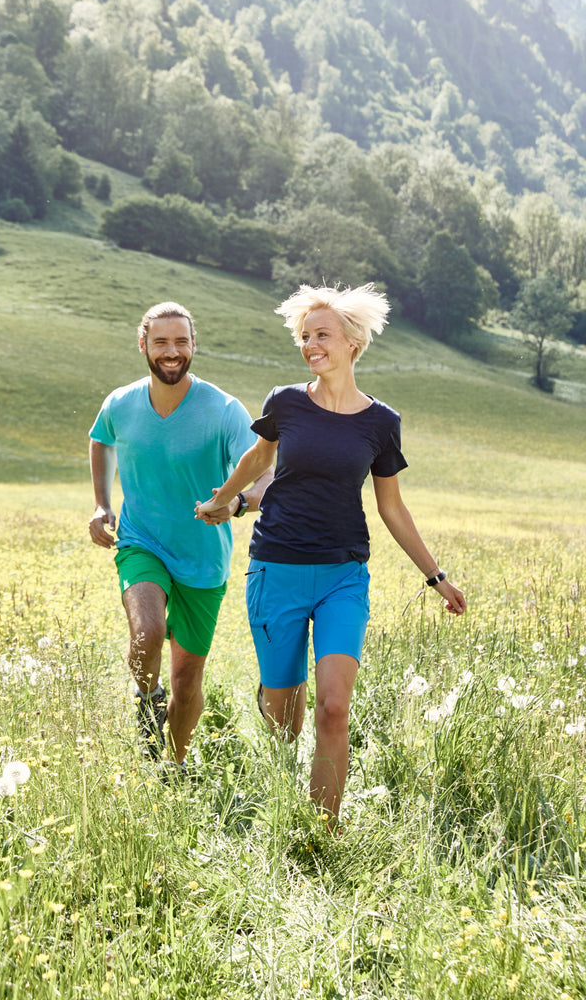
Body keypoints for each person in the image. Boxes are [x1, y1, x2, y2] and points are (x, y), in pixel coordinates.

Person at [195, 283, 466, 821]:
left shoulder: (380, 423)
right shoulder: (286, 402)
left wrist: (436, 576)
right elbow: (258, 457)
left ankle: (322, 832)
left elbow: (392, 507)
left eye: (322, 334)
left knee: (334, 709)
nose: (310, 344)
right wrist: (224, 500)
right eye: (304, 336)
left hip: (344, 575)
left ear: (353, 343)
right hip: (277, 568)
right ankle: (275, 803)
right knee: (284, 719)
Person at [88, 301, 273, 767]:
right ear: (143, 346)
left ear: (193, 346)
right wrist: (101, 503)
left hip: (203, 558)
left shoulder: (224, 409)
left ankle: (174, 767)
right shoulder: (120, 404)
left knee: (188, 678)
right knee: (146, 633)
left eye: (181, 342)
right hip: (141, 541)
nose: (172, 352)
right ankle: (146, 697)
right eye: (161, 342)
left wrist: (237, 503)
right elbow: (101, 439)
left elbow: (265, 470)